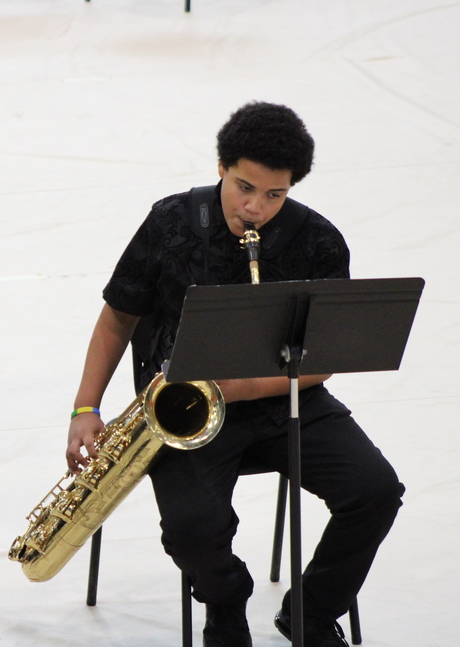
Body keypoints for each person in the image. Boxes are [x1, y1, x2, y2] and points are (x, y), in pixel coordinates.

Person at [65, 102, 404, 647]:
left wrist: (237, 387)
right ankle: (225, 601)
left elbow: (321, 361)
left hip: (284, 400)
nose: (255, 208)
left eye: (275, 195)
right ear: (221, 166)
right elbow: (118, 316)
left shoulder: (319, 241)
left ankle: (311, 611)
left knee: (376, 491)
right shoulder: (171, 221)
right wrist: (86, 407)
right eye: (244, 186)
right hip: (180, 408)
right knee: (191, 532)